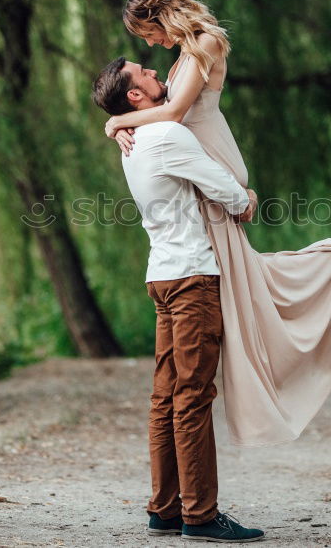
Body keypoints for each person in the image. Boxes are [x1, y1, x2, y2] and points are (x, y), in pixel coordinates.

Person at [103, 0, 331, 450]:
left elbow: (171, 115)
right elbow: (163, 117)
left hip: (215, 188)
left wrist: (117, 122)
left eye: (145, 32)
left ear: (159, 15)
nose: (147, 43)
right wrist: (120, 125)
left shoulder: (206, 43)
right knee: (247, 292)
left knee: (252, 291)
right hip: (205, 193)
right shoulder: (181, 57)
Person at [91, 57, 266, 542]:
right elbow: (228, 193)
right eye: (146, 72)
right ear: (135, 96)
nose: (157, 74)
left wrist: (117, 126)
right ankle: (200, 515)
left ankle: (164, 509)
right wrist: (247, 199)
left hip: (162, 278)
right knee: (192, 397)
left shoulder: (132, 141)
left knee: (165, 397)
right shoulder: (167, 136)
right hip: (192, 280)